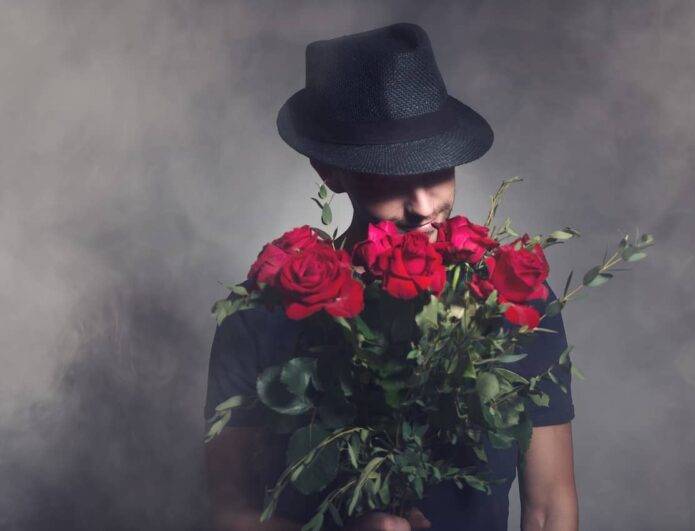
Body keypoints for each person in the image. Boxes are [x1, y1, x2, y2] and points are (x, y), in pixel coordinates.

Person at [204, 23, 578, 531]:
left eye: (437, 170)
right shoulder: (260, 315)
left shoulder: (511, 296)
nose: (423, 206)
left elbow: (550, 506)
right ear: (329, 172)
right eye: (392, 177)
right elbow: (229, 510)